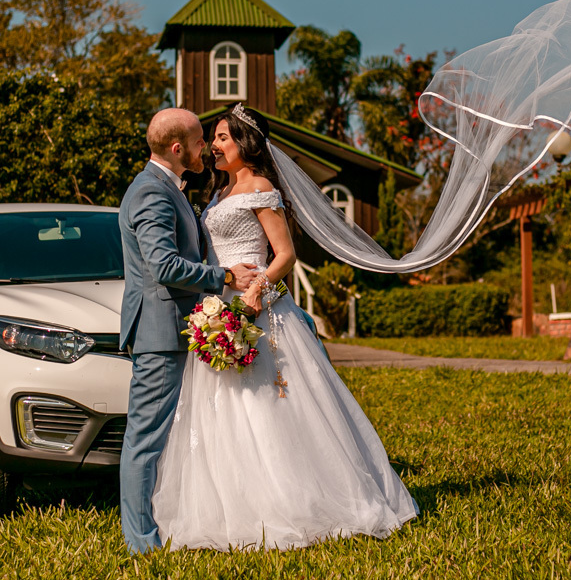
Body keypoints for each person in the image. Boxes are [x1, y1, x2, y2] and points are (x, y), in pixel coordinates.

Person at [151, 104, 418, 551]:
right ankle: (233, 504)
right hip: (219, 309)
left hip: (260, 309)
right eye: (212, 139)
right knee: (224, 410)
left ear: (244, 144)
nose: (214, 146)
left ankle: (297, 502)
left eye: (221, 138)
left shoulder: (261, 187)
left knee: (269, 408)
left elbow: (284, 255)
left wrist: (256, 293)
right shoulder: (216, 196)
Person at [118, 108, 258, 554]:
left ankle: (167, 522)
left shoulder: (166, 188)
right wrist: (223, 277)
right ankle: (141, 542)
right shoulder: (152, 193)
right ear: (178, 148)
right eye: (201, 141)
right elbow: (162, 265)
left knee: (166, 435)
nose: (207, 149)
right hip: (161, 331)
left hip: (178, 328)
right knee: (146, 438)